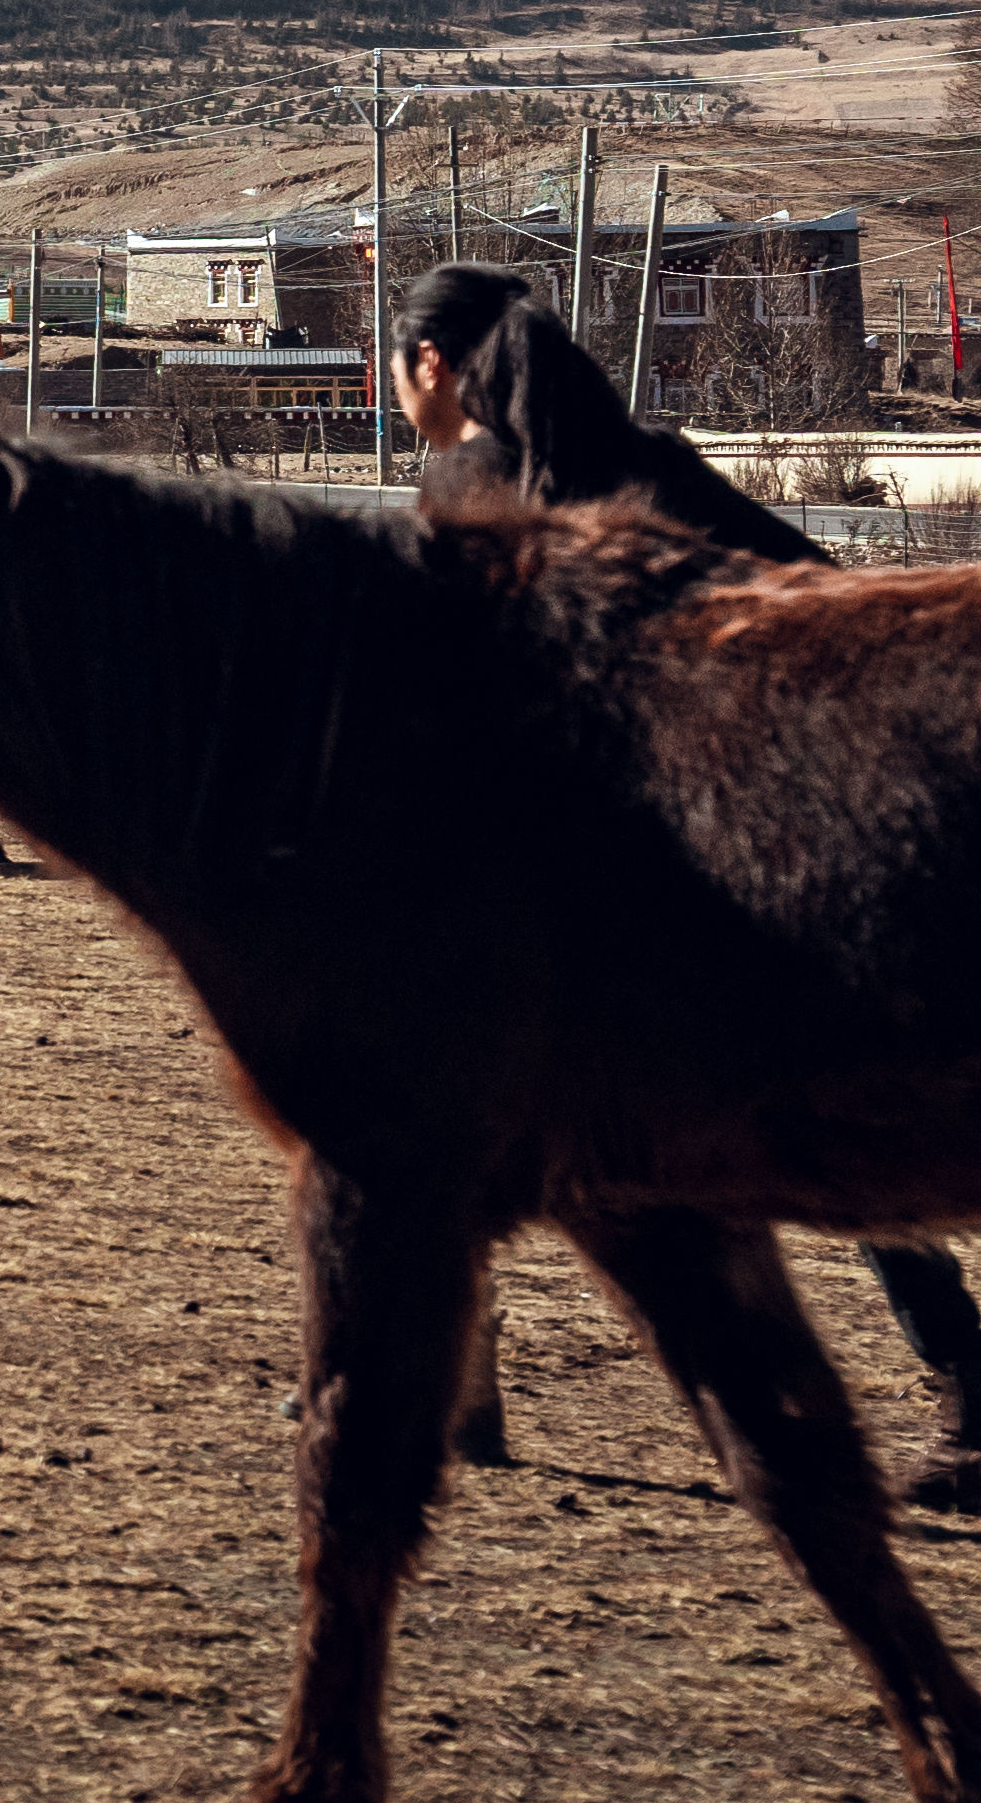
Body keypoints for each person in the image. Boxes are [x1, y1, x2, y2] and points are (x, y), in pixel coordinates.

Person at [394, 263, 981, 1499]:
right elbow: (821, 593)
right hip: (710, 841)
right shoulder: (638, 466)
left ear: (432, 366)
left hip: (634, 869)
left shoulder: (472, 484)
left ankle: (447, 1379)